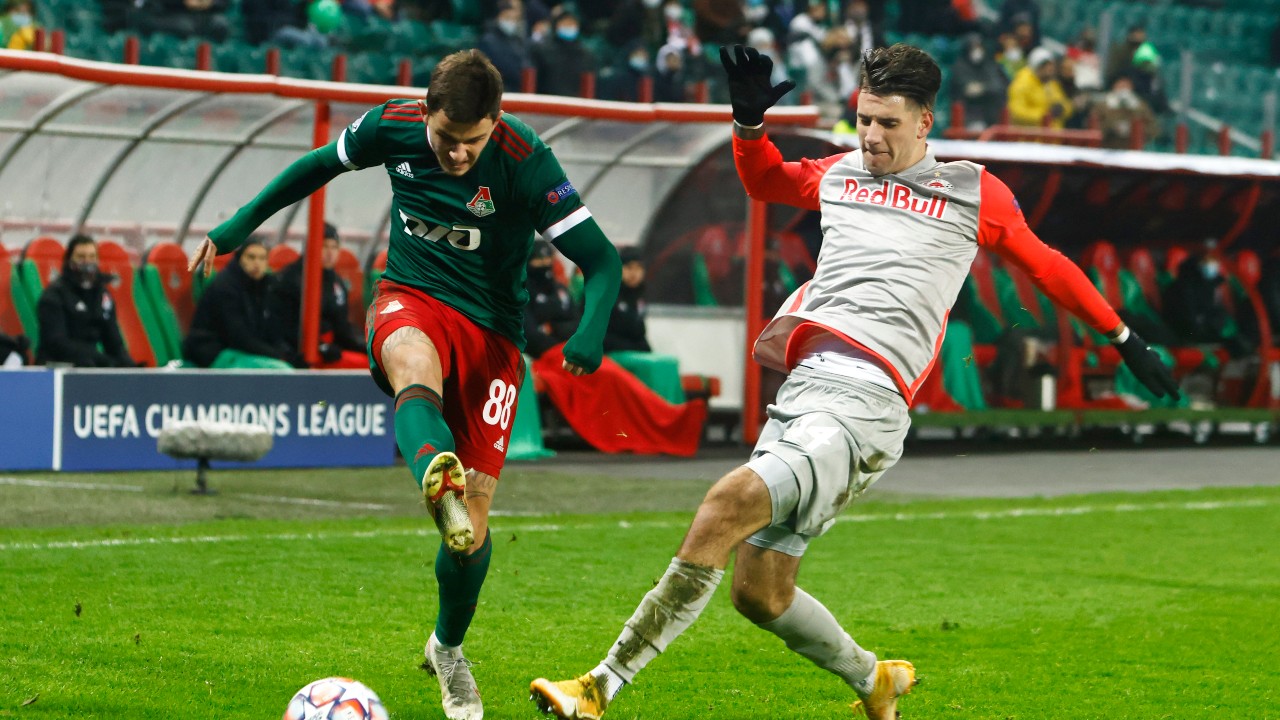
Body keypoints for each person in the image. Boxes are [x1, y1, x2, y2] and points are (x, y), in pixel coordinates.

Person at [530, 43, 1179, 720]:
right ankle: (875, 681)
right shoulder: (840, 172)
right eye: (864, 118)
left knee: (724, 506)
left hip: (866, 402)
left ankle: (599, 687)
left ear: (925, 121)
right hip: (807, 390)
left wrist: (1122, 337)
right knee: (760, 592)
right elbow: (765, 180)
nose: (871, 135)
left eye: (889, 123)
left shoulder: (972, 192)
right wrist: (749, 123)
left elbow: (1046, 268)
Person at [186, 50, 620, 720]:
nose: (455, 155)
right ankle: (432, 468)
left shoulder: (525, 158)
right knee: (412, 362)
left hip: (496, 341)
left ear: (495, 123)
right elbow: (315, 167)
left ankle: (447, 648)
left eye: (470, 143)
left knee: (470, 538)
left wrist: (591, 331)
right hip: (410, 297)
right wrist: (239, 223)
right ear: (426, 113)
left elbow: (601, 259)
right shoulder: (391, 126)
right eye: (445, 140)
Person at [524, 243, 707, 456]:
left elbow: (577, 324)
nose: (544, 265)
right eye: (538, 260)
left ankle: (668, 418)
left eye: (548, 260)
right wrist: (560, 334)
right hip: (551, 357)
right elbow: (531, 336)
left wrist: (559, 330)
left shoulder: (561, 291)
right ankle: (666, 419)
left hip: (573, 349)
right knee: (610, 375)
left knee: (616, 376)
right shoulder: (523, 292)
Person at [183, 240, 301, 370]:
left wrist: (286, 353)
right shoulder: (225, 286)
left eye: (262, 258)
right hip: (216, 353)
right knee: (281, 371)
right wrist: (276, 355)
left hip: (242, 352)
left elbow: (272, 329)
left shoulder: (266, 286)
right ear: (240, 258)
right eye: (251, 257)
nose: (257, 263)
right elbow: (238, 336)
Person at [271, 224, 367, 369]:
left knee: (374, 363)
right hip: (302, 353)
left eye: (334, 247)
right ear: (311, 247)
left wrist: (366, 347)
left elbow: (343, 328)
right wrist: (320, 346)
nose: (330, 253)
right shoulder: (291, 279)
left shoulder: (336, 281)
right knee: (369, 368)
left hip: (331, 350)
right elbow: (285, 326)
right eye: (324, 246)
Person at [35, 235, 136, 368]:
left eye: (92, 257)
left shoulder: (102, 295)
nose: (87, 262)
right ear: (69, 260)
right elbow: (56, 342)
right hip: (58, 365)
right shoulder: (54, 295)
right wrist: (100, 359)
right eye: (81, 257)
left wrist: (131, 369)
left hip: (91, 362)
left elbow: (114, 342)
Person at [949, 32, 1009, 130]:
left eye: (979, 47)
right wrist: (984, 89)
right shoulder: (959, 66)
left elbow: (998, 86)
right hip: (969, 116)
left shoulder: (989, 65)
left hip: (990, 115)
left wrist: (982, 88)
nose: (977, 50)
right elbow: (967, 91)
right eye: (973, 47)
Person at [532, 9, 597, 97]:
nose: (569, 27)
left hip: (577, 104)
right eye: (565, 24)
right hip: (547, 101)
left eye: (572, 24)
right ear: (556, 26)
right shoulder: (542, 50)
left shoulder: (585, 53)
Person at [1007, 47, 1071, 128]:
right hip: (1028, 138)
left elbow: (1063, 103)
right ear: (1036, 66)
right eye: (1044, 65)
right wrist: (1045, 115)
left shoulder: (1051, 84)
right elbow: (1016, 112)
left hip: (1051, 137)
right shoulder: (1022, 84)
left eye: (1051, 64)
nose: (1049, 68)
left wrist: (1063, 108)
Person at [478, 0, 532, 93]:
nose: (511, 22)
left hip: (519, 91)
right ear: (499, 17)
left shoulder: (518, 40)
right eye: (507, 17)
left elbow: (527, 63)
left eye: (514, 19)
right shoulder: (488, 40)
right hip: (500, 90)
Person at [604, 246, 650, 353]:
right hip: (607, 353)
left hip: (630, 350)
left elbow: (639, 332)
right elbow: (600, 334)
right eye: (629, 267)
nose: (634, 273)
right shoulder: (607, 293)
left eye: (639, 268)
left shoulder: (639, 296)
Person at [1092, 75, 1157, 150]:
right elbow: (1094, 129)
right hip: (1107, 148)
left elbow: (1154, 130)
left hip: (1133, 149)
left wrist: (1133, 127)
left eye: (1126, 86)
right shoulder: (1102, 106)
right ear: (1114, 87)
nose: (1123, 90)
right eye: (1121, 86)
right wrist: (1113, 127)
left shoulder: (1140, 106)